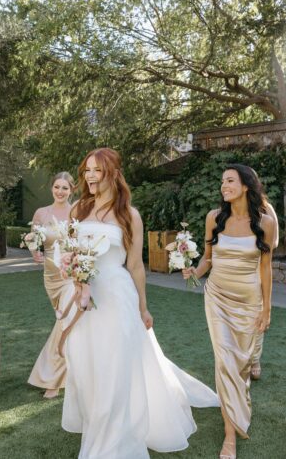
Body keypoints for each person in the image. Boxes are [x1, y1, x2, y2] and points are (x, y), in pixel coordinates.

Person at [62, 147, 219, 459]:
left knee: (115, 367)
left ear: (113, 173)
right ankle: (96, 420)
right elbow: (69, 253)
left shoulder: (129, 215)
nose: (91, 176)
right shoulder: (77, 210)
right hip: (83, 298)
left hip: (117, 296)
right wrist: (77, 282)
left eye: (97, 170)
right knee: (86, 365)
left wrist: (143, 307)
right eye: (87, 170)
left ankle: (111, 441)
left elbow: (134, 266)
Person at [183, 164, 274, 459]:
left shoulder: (265, 222)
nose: (224, 185)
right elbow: (207, 260)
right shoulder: (214, 218)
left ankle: (240, 395)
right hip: (217, 298)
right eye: (222, 181)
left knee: (242, 363)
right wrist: (193, 273)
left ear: (246, 185)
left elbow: (266, 268)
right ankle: (230, 434)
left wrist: (266, 308)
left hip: (249, 301)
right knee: (225, 362)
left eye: (230, 180)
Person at [28, 171, 75, 399]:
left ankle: (52, 378)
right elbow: (33, 239)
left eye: (65, 188)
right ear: (52, 188)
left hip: (72, 272)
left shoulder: (77, 212)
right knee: (63, 319)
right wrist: (34, 252)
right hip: (50, 275)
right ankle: (74, 370)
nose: (60, 191)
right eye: (57, 187)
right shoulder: (41, 213)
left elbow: (82, 242)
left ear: (71, 190)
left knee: (65, 320)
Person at [250, 189, 280, 380]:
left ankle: (255, 360)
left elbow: (274, 239)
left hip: (258, 265)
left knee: (257, 315)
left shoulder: (266, 209)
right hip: (238, 271)